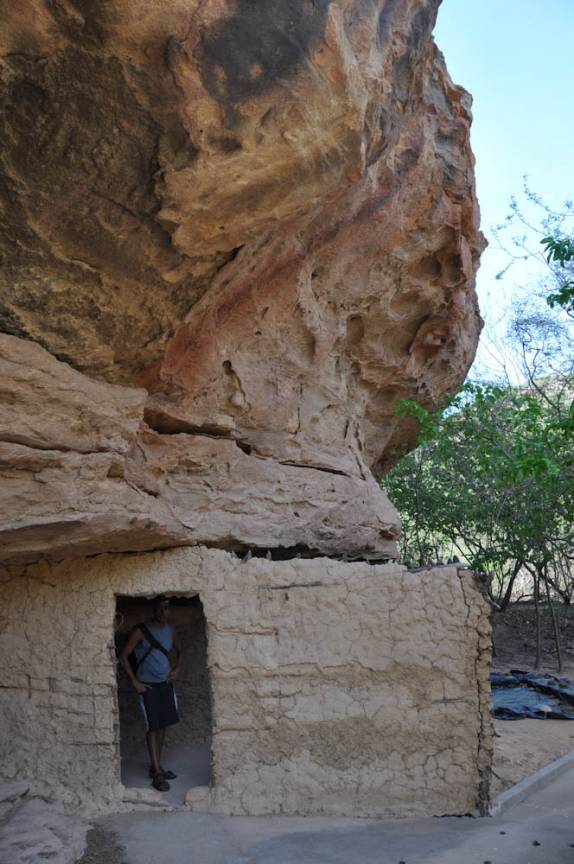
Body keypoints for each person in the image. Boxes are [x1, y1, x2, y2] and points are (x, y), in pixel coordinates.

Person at [121, 597, 182, 791]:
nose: (165, 612)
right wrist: (135, 681)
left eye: (167, 609)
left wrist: (177, 669)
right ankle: (156, 772)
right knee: (152, 727)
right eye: (161, 609)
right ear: (154, 610)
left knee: (162, 725)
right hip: (148, 686)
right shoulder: (141, 631)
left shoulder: (170, 631)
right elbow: (123, 656)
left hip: (165, 684)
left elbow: (181, 651)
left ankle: (157, 766)